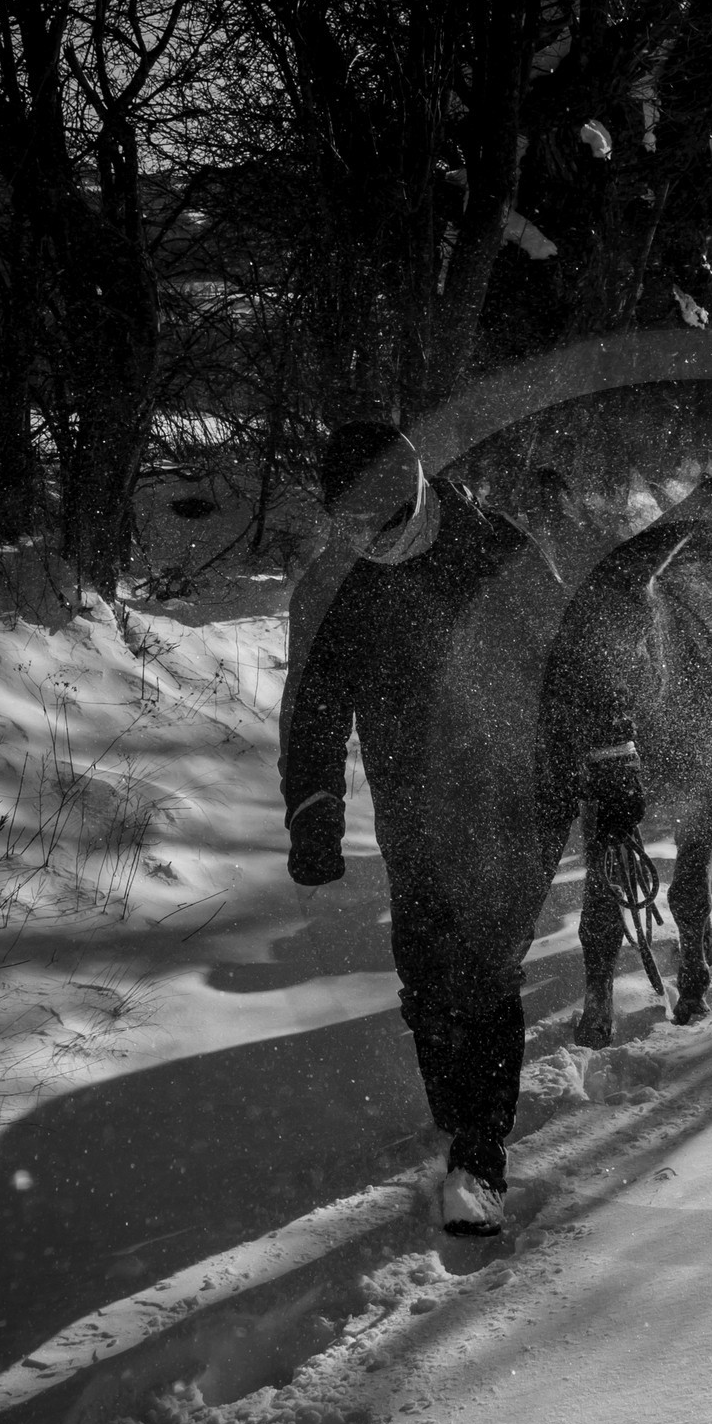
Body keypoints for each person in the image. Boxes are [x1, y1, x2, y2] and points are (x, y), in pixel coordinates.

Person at [278, 421, 540, 1237]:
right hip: (411, 805)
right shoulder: (335, 584)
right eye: (348, 526)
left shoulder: (495, 548)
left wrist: (607, 764)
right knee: (426, 970)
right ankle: (455, 1108)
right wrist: (315, 810)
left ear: (414, 494)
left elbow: (573, 662)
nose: (364, 541)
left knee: (485, 969)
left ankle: (480, 1155)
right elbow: (313, 712)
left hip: (509, 798)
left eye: (375, 523)